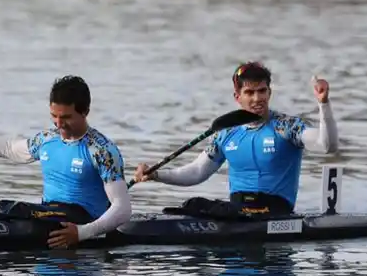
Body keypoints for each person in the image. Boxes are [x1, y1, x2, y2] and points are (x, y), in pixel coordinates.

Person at [0, 75, 132, 249]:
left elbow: (122, 209)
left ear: (85, 111)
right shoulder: (47, 139)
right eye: (54, 116)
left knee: (16, 209)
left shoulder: (102, 151)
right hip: (49, 214)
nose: (59, 124)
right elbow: (8, 149)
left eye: (66, 117)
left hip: (82, 220)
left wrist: (82, 233)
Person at [134, 61, 338, 217]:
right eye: (249, 92)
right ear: (237, 97)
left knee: (221, 211)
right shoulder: (226, 132)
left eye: (262, 91)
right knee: (193, 204)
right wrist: (156, 175)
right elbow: (197, 172)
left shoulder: (287, 127)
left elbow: (326, 145)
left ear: (269, 92)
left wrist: (324, 104)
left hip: (274, 210)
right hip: (236, 210)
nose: (257, 98)